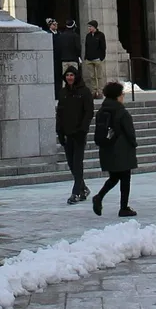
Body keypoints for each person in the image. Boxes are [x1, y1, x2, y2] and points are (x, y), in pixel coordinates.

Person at [90, 81, 137, 218]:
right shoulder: (121, 112)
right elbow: (129, 132)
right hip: (122, 149)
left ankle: (99, 196)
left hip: (107, 148)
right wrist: (133, 144)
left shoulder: (102, 111)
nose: (123, 96)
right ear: (117, 96)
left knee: (114, 177)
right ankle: (123, 208)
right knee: (125, 178)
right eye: (122, 94)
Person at [55, 65, 94, 205]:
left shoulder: (84, 92)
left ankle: (75, 192)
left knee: (77, 163)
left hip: (79, 133)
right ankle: (83, 188)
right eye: (67, 75)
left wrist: (83, 129)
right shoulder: (63, 92)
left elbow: (89, 112)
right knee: (71, 164)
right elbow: (59, 113)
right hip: (67, 133)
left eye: (72, 75)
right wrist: (59, 131)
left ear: (76, 76)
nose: (69, 78)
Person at [53, 20, 82, 97]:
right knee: (74, 77)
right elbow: (78, 48)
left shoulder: (61, 36)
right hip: (73, 59)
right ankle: (74, 93)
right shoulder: (76, 36)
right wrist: (78, 56)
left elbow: (59, 48)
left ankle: (64, 94)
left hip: (64, 59)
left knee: (65, 78)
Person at [82, 21, 107, 97]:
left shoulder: (100, 35)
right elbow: (86, 47)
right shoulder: (88, 36)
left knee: (99, 76)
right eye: (88, 26)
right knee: (92, 77)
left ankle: (100, 92)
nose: (89, 28)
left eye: (90, 26)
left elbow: (103, 47)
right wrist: (86, 57)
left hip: (97, 59)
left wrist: (101, 57)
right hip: (89, 59)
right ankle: (93, 91)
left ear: (95, 27)